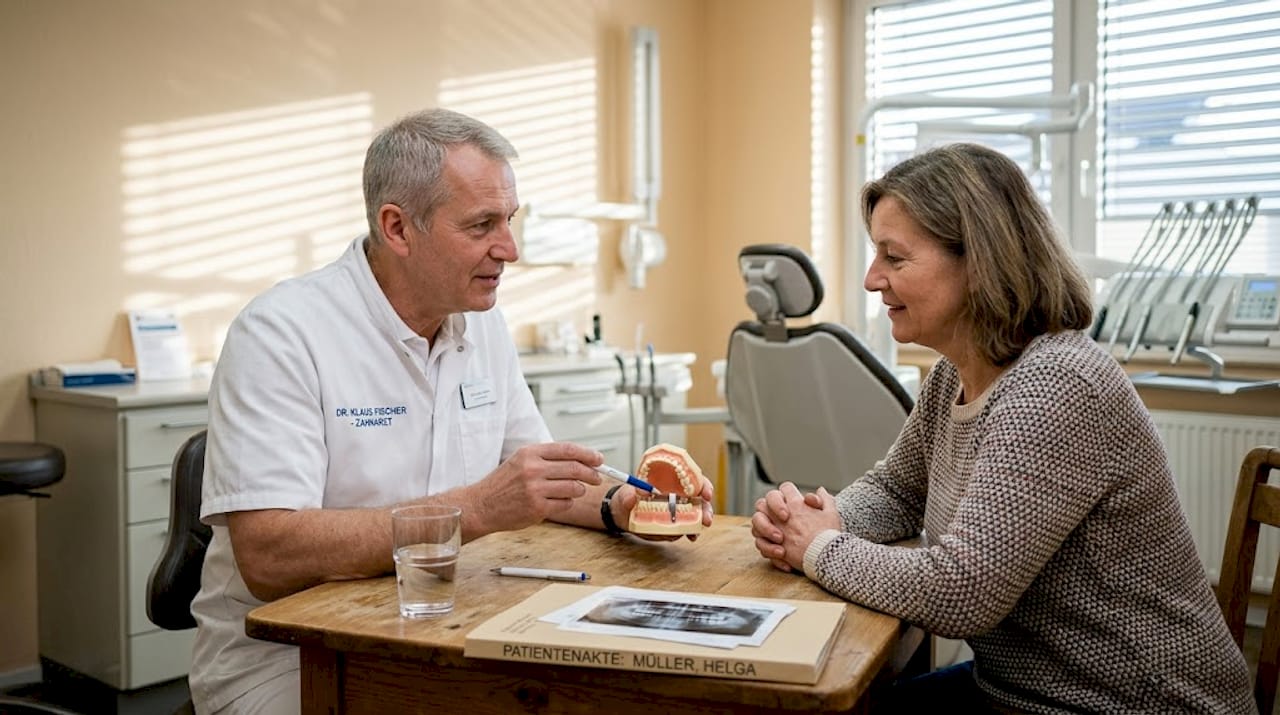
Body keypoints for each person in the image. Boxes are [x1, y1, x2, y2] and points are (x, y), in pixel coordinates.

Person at [189, 108, 713, 715]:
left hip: (442, 631)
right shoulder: (282, 333)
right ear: (398, 228)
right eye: (482, 224)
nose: (509, 249)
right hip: (289, 659)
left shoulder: (480, 326)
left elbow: (534, 480)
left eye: (510, 220)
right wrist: (479, 508)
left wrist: (621, 506)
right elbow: (269, 554)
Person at [750, 143, 1253, 713]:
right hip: (1023, 689)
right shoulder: (954, 375)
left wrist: (817, 547)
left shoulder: (1057, 385)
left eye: (894, 257)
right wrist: (828, 516)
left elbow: (958, 593)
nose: (871, 279)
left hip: (1127, 704)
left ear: (978, 261)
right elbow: (897, 489)